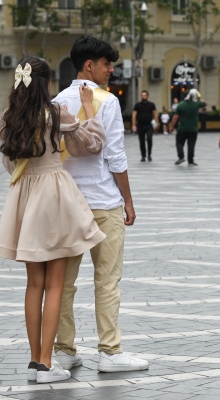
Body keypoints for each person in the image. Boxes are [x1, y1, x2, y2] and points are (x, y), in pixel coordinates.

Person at [0, 56, 106, 383]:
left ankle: (34, 361)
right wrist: (88, 108)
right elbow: (92, 144)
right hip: (54, 195)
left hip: (25, 196)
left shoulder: (9, 117)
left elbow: (10, 163)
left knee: (33, 284)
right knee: (55, 284)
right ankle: (46, 363)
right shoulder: (55, 114)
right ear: (46, 83)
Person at [52, 36, 147, 373]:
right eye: (108, 64)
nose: (111, 71)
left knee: (63, 282)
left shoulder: (55, 101)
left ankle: (64, 349)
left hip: (66, 205)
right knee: (107, 280)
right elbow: (115, 156)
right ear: (89, 65)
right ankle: (109, 351)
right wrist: (129, 201)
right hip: (104, 203)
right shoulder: (107, 101)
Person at [169, 88, 206, 166]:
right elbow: (205, 103)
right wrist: (198, 97)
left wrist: (172, 126)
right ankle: (191, 161)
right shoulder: (196, 104)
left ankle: (181, 157)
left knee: (179, 143)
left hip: (182, 128)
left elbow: (175, 117)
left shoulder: (181, 105)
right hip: (193, 129)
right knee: (191, 145)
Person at [132, 90, 159, 162]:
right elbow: (134, 115)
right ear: (141, 96)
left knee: (149, 138)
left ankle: (149, 155)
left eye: (145, 95)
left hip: (149, 125)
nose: (143, 96)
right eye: (142, 95)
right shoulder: (137, 105)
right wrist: (134, 125)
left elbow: (155, 114)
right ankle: (143, 156)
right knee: (141, 141)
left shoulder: (151, 104)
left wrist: (157, 123)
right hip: (140, 125)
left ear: (147, 96)